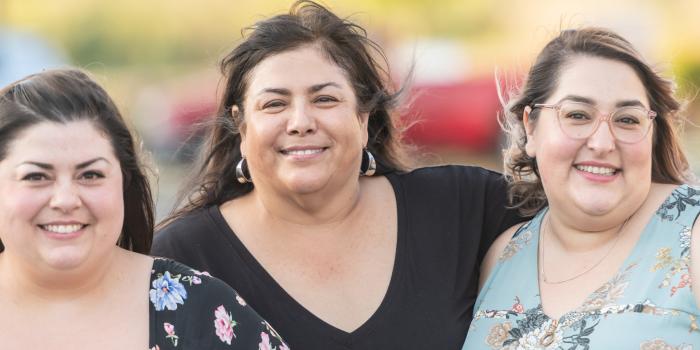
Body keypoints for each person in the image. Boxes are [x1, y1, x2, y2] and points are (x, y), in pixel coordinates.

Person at [151, 1, 525, 349]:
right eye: (274, 104)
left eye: (324, 99)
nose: (300, 122)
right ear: (242, 128)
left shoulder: (466, 209)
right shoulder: (179, 263)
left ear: (362, 119)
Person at [0, 69, 288, 349]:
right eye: (36, 177)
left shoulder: (197, 306)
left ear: (124, 182)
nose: (65, 199)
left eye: (90, 175)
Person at [462, 28, 700, 349]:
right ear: (531, 128)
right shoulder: (503, 254)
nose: (602, 143)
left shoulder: (692, 236)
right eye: (577, 115)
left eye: (628, 120)